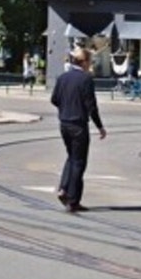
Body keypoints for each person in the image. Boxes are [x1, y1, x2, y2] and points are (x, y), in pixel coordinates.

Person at [50, 46, 106, 212]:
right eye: (90, 62)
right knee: (79, 162)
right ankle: (73, 200)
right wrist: (100, 126)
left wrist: (65, 109)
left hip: (64, 123)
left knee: (71, 157)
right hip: (78, 125)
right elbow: (91, 106)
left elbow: (54, 99)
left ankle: (63, 188)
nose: (91, 65)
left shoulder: (62, 78)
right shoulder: (85, 79)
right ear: (84, 62)